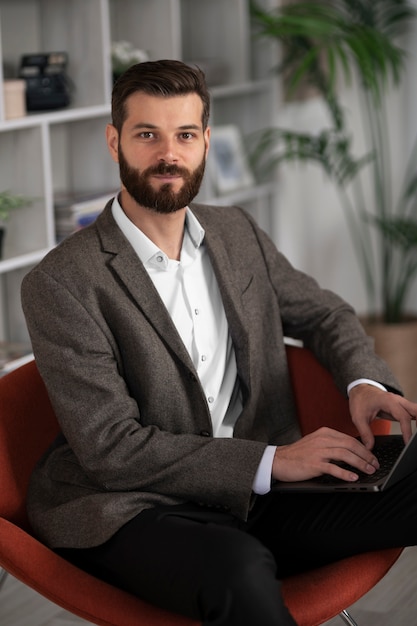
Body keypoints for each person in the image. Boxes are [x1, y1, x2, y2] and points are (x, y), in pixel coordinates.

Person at [21, 59, 417, 626]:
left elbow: (324, 313)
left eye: (184, 135)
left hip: (263, 494)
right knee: (237, 569)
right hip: (139, 506)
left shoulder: (236, 231)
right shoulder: (61, 283)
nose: (168, 154)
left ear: (205, 141)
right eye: (146, 135)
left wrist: (364, 383)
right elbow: (111, 448)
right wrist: (272, 461)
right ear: (114, 142)